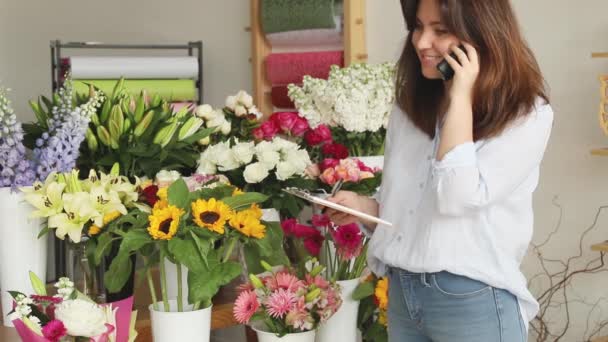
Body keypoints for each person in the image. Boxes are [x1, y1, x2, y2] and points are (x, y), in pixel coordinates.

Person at [325, 0, 553, 341]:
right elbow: (414, 210)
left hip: (470, 297)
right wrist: (363, 208)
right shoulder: (410, 109)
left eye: (440, 31)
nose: (421, 42)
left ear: (483, 34)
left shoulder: (526, 115)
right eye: (418, 27)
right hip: (404, 293)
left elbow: (456, 199)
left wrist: (461, 97)